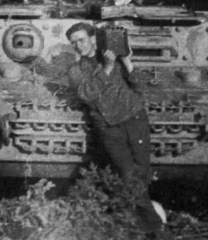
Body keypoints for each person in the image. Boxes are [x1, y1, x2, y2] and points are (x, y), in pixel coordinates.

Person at [65, 22, 164, 236]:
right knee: (128, 175)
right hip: (109, 126)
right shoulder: (75, 70)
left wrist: (126, 61)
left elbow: (139, 86)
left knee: (142, 173)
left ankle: (135, 224)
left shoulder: (115, 58)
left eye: (82, 39)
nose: (79, 45)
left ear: (93, 39)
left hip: (134, 118)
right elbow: (87, 93)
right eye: (74, 43)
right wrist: (108, 68)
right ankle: (155, 227)